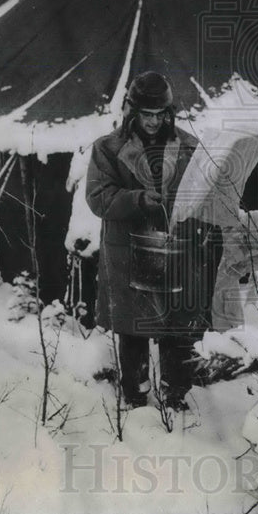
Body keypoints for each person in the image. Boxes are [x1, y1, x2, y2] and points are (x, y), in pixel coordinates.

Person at [85, 71, 220, 410]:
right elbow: (98, 197)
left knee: (177, 324)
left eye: (160, 115)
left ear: (169, 113)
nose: (153, 122)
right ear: (132, 113)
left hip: (176, 250)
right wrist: (136, 200)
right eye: (146, 115)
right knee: (133, 328)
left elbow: (207, 193)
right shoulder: (108, 149)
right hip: (130, 250)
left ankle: (176, 396)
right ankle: (134, 397)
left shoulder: (189, 146)